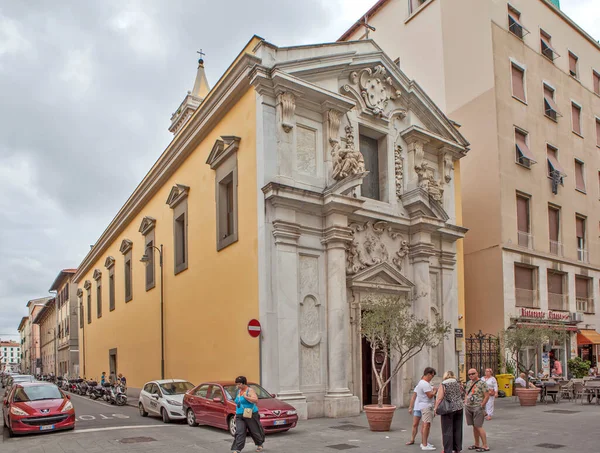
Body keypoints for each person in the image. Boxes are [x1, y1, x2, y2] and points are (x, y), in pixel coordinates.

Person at [230, 376, 265, 453]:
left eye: (239, 384)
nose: (237, 386)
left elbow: (256, 400)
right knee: (239, 431)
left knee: (254, 430)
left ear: (243, 383)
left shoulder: (250, 390)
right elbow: (238, 403)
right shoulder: (238, 392)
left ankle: (259, 444)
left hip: (250, 414)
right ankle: (238, 449)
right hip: (240, 415)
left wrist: (246, 397)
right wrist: (236, 413)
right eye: (237, 384)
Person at [434, 370, 464, 453]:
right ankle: (457, 448)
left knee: (447, 430)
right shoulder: (458, 383)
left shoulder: (444, 384)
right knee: (458, 428)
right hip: (459, 407)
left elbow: (440, 397)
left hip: (448, 408)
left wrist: (435, 408)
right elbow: (462, 393)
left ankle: (448, 450)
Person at [465, 369, 490, 452]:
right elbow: (467, 393)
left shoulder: (482, 383)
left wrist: (482, 405)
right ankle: (476, 444)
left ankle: (485, 445)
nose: (471, 375)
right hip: (469, 406)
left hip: (478, 407)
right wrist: (466, 402)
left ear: (477, 373)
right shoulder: (468, 383)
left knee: (479, 426)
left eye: (473, 373)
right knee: (474, 426)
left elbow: (487, 395)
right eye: (469, 374)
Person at [413, 367, 438, 451]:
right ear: (428, 374)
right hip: (426, 406)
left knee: (426, 424)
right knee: (426, 425)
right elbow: (430, 395)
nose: (432, 377)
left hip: (425, 405)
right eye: (432, 375)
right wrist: (434, 390)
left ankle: (425, 442)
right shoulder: (424, 384)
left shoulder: (423, 383)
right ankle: (424, 444)